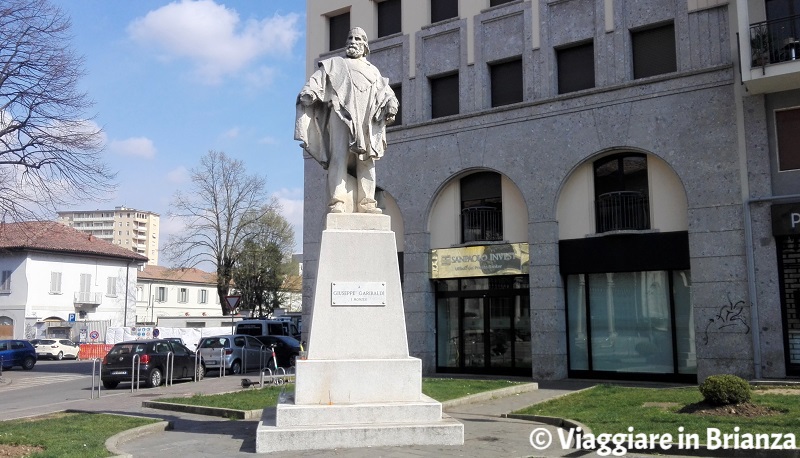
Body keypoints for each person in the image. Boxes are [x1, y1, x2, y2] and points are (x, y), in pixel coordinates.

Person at [295, 27, 399, 214]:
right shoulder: (335, 64)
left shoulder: (374, 72)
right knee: (338, 157)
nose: (352, 41)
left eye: (358, 38)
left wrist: (392, 104)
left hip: (367, 119)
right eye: (350, 37)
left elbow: (388, 94)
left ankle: (367, 202)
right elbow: (315, 82)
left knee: (367, 161)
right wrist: (309, 92)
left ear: (365, 46)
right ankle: (338, 201)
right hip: (340, 116)